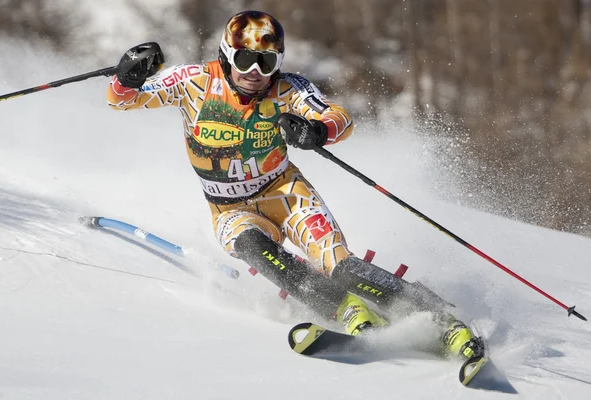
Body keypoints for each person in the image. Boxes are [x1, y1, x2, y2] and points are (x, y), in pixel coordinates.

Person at [107, 10, 483, 359]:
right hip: (230, 209)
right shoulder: (194, 82)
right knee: (255, 248)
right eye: (244, 60)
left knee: (342, 267)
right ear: (226, 56)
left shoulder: (287, 89)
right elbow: (121, 102)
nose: (255, 71)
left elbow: (341, 119)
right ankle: (347, 310)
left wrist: (316, 129)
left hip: (287, 195)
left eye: (267, 62)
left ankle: (443, 320)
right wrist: (127, 76)